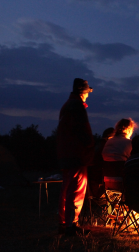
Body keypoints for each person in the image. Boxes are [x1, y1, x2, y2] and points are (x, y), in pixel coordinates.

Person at [57, 78, 95, 236]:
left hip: (65, 153)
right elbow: (81, 131)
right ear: (83, 92)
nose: (87, 96)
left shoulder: (66, 105)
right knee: (76, 190)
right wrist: (90, 146)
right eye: (87, 93)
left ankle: (63, 223)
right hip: (77, 154)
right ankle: (71, 226)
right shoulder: (77, 106)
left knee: (66, 190)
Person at [87, 127, 115, 198]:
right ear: (110, 137)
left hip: (91, 183)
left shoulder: (97, 145)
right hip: (99, 183)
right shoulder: (105, 147)